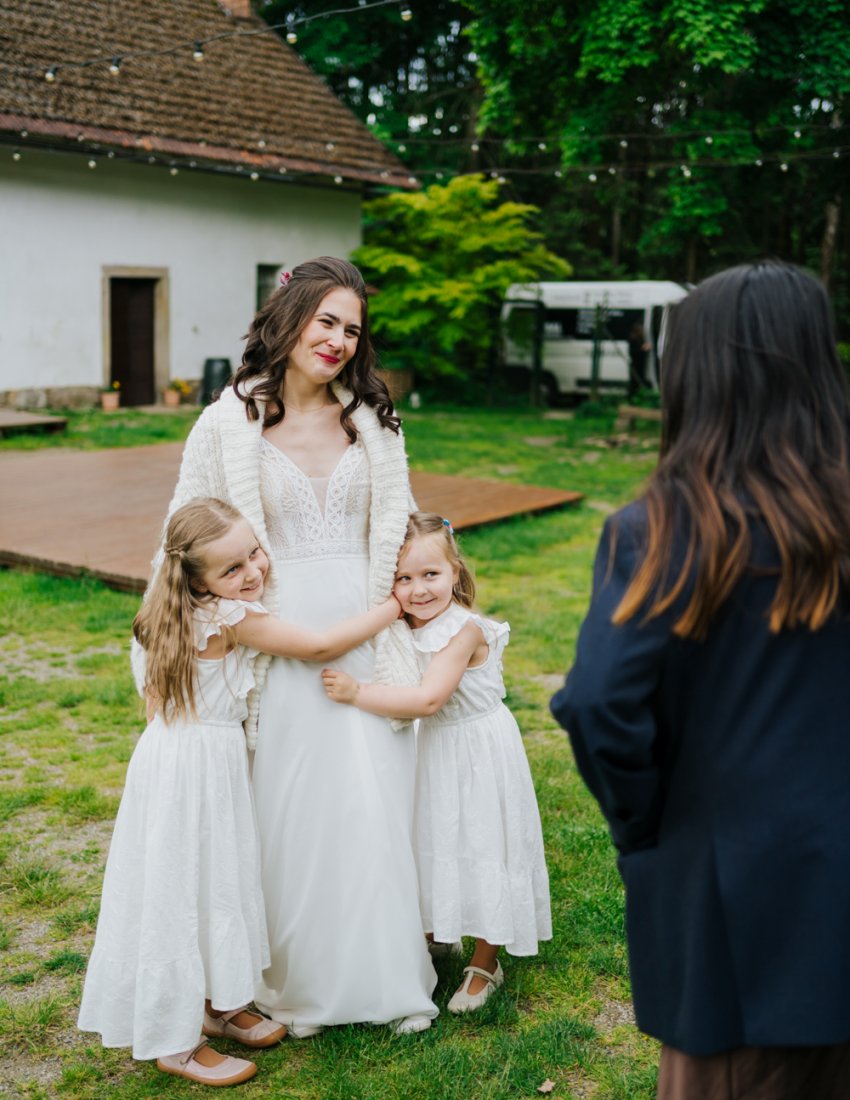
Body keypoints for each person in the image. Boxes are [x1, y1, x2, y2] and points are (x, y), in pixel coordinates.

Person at [550, 260, 850, 1099]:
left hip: (732, 908)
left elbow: (600, 702)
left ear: (694, 375)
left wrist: (643, 825)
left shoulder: (662, 531)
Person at [134, 257, 437, 1037]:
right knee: (290, 807)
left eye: (353, 330)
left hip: (365, 627)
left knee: (371, 799)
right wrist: (159, 651)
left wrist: (426, 609)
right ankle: (288, 980)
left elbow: (400, 523)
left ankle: (385, 978)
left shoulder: (374, 423)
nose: (338, 340)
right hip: (273, 635)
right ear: (291, 317)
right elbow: (181, 535)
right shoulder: (227, 423)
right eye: (327, 321)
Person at [79, 497, 403, 1085]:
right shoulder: (229, 616)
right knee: (185, 890)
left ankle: (219, 1006)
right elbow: (320, 647)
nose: (254, 571)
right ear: (199, 580)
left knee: (215, 880)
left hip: (172, 756)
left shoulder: (171, 611)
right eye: (233, 568)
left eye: (255, 552)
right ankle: (175, 1040)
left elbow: (154, 701)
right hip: (197, 765)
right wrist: (391, 607)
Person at [322, 511, 552, 1012]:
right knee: (435, 838)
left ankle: (486, 962)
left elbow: (428, 700)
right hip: (435, 750)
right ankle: (439, 929)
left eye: (431, 574)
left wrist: (358, 693)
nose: (419, 589)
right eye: (403, 579)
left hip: (477, 751)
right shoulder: (403, 626)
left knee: (483, 843)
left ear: (455, 572)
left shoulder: (464, 631)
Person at [627, 321, 651, 398]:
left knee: (637, 382)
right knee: (635, 382)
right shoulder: (633, 340)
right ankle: (631, 397)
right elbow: (634, 352)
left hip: (639, 365)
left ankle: (635, 397)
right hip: (636, 365)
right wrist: (644, 349)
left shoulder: (640, 340)